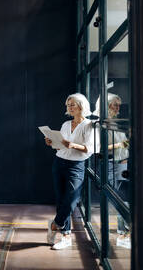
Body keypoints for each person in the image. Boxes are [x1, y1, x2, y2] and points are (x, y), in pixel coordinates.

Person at [45, 93, 96, 250]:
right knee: (61, 199)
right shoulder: (66, 124)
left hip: (76, 166)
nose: (69, 107)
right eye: (68, 105)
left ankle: (55, 224)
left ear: (81, 106)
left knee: (71, 199)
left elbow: (92, 148)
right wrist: (51, 142)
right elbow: (61, 145)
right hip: (59, 163)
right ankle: (66, 236)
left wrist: (72, 145)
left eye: (72, 104)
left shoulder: (89, 125)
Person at [94, 93, 130, 246]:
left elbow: (123, 146)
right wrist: (120, 146)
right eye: (114, 104)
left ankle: (123, 232)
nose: (118, 108)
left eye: (119, 105)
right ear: (106, 106)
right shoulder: (100, 124)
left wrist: (124, 155)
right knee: (116, 198)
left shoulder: (116, 123)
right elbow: (99, 148)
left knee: (122, 198)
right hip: (108, 164)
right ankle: (125, 230)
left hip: (121, 163)